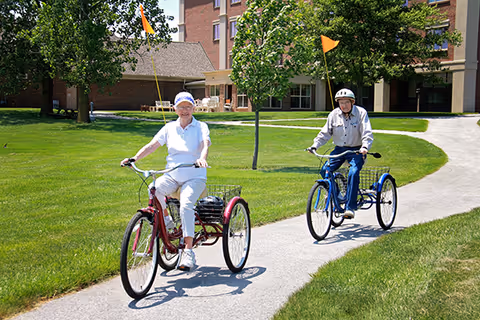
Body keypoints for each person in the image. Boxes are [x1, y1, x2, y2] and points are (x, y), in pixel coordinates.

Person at [121, 91, 211, 271]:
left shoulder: (201, 126)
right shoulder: (169, 128)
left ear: (194, 107)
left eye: (188, 106)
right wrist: (134, 158)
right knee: (153, 189)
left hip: (194, 176)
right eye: (181, 107)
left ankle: (188, 251)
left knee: (186, 204)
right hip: (172, 175)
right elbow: (153, 145)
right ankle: (168, 222)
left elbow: (205, 144)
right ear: (175, 109)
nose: (185, 110)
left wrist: (202, 158)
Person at [307, 88, 373, 219]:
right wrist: (314, 145)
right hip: (339, 149)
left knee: (353, 172)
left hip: (356, 150)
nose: (343, 105)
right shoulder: (334, 114)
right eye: (341, 102)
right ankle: (337, 195)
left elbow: (367, 132)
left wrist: (365, 147)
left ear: (352, 102)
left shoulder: (361, 113)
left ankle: (350, 207)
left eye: (346, 102)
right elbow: (324, 134)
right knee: (325, 170)